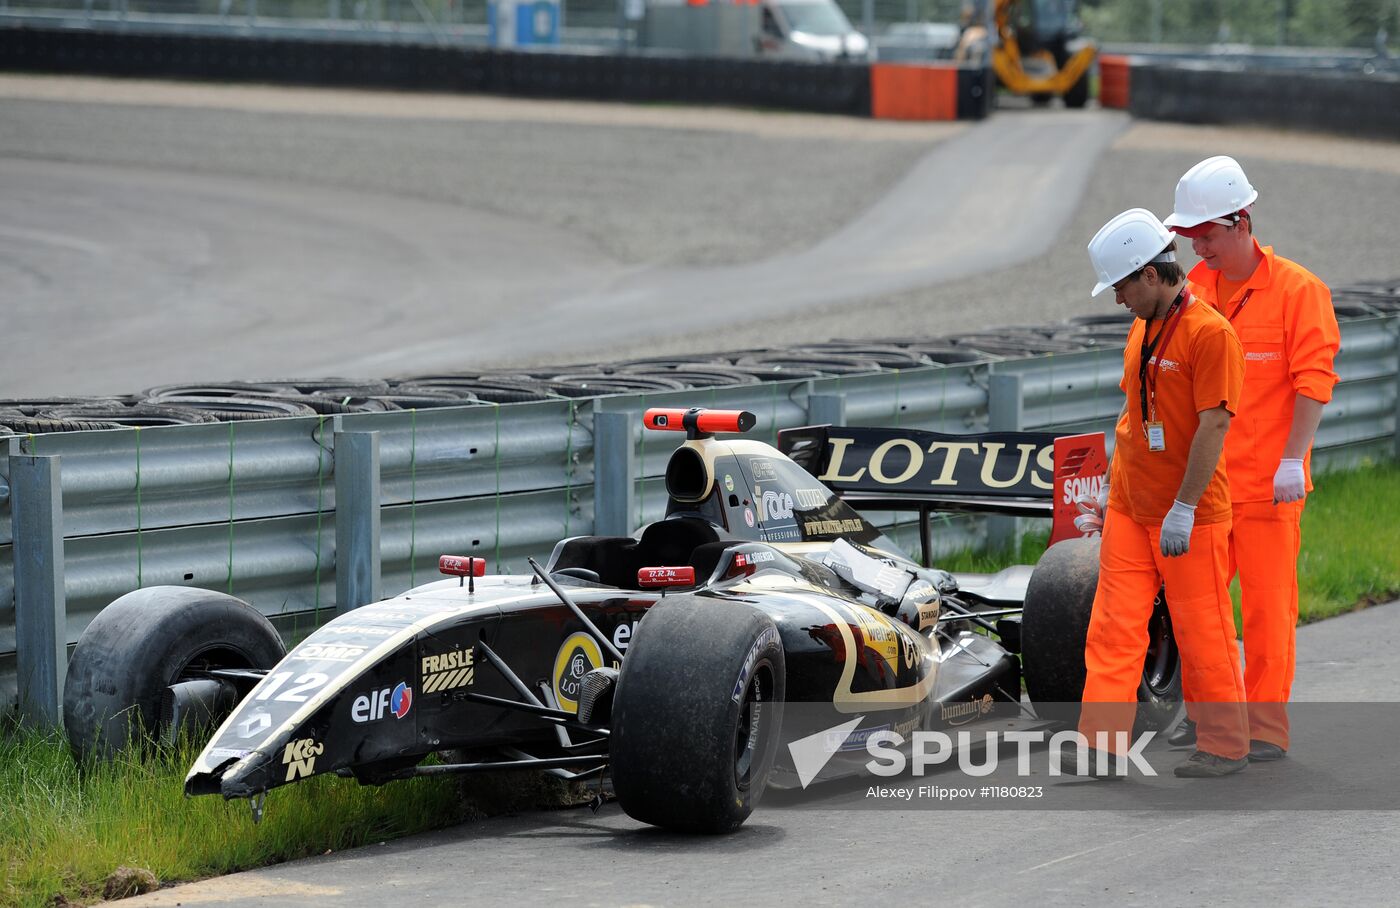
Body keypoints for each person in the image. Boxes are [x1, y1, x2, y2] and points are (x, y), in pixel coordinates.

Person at [1162, 156, 1341, 761]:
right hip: (1206, 490)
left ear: (1241, 222)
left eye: (1205, 235)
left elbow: (1314, 382)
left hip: (1269, 489)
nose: (1197, 248)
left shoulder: (1299, 291)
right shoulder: (1193, 292)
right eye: (1190, 237)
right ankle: (1210, 720)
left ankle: (1264, 728)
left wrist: (1293, 460)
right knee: (1199, 614)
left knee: (1267, 614)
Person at [1077, 208, 1250, 779]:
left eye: (1121, 287)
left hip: (1189, 516)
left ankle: (1224, 744)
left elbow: (1214, 425)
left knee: (1203, 633)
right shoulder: (1143, 326)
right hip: (1131, 508)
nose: (1117, 299)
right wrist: (1110, 491)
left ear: (1150, 275)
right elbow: (1134, 416)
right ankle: (1101, 746)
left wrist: (1183, 507)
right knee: (1113, 628)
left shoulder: (1210, 334)